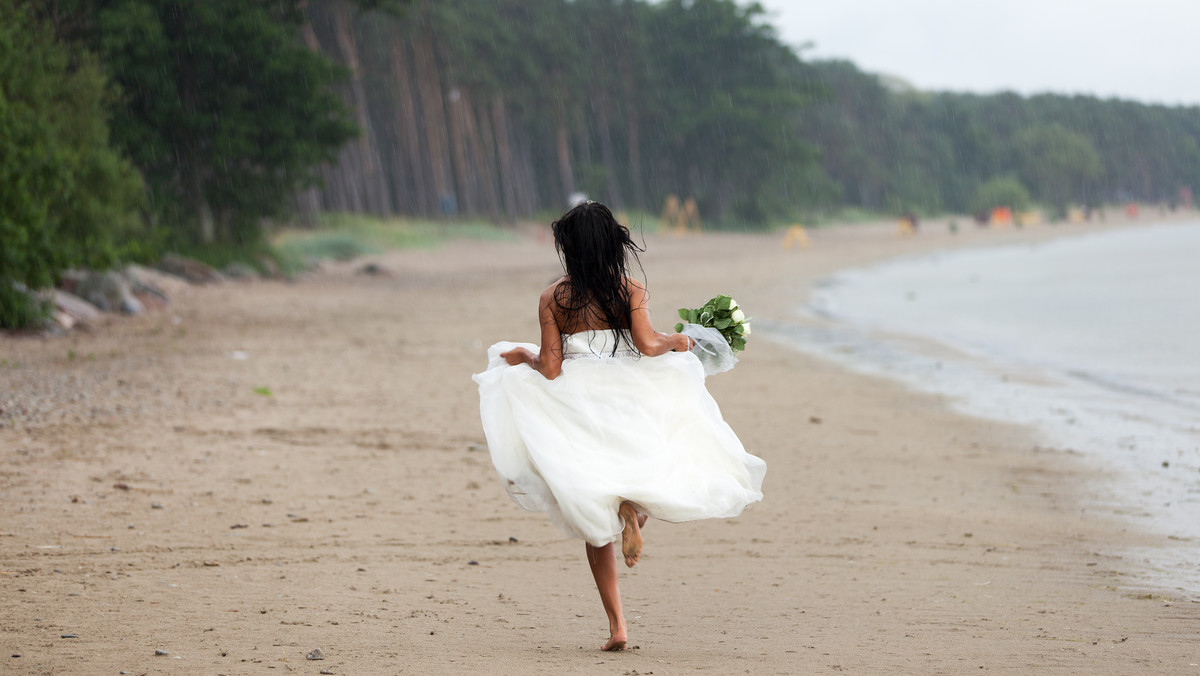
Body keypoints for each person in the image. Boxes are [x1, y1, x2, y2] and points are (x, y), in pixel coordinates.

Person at [472, 201, 766, 651]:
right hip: (630, 391)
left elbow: (550, 368)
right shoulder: (629, 288)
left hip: (577, 398)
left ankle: (617, 627)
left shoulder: (554, 297)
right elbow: (648, 346)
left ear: (569, 249)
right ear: (613, 244)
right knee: (658, 461)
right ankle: (635, 513)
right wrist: (680, 339)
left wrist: (523, 355)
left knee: (593, 506)